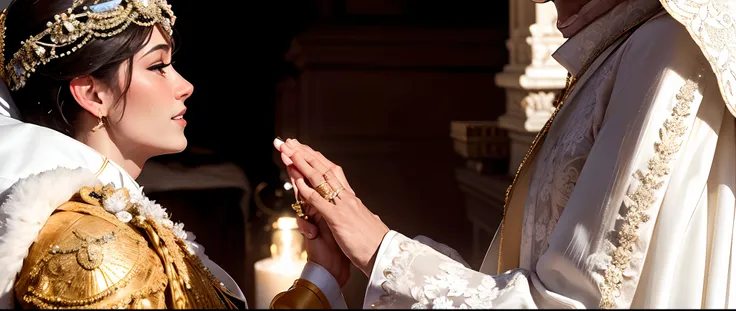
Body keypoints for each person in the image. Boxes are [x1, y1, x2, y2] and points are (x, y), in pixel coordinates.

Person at [275, 0, 736, 308]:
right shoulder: (622, 47)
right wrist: (373, 249)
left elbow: (573, 304)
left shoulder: (666, 51)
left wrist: (382, 251)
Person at [0, 0, 348, 308]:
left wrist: (322, 278)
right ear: (92, 94)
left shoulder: (111, 221)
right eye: (157, 67)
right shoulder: (94, 251)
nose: (185, 86)